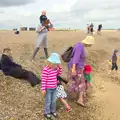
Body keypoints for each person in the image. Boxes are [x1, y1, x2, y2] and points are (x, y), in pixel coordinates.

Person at [68, 36, 95, 107]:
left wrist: (83, 65)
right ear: (88, 43)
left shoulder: (79, 44)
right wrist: (74, 69)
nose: (90, 46)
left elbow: (78, 58)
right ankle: (79, 99)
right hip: (76, 68)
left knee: (77, 82)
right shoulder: (80, 47)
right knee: (81, 83)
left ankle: (73, 95)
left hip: (78, 67)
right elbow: (75, 58)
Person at [41, 53, 62, 120]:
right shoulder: (46, 70)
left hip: (54, 87)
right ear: (51, 63)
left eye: (57, 64)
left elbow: (59, 73)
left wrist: (59, 67)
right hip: (48, 89)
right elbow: (44, 80)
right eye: (56, 64)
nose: (56, 66)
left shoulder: (56, 69)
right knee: (48, 101)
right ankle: (47, 112)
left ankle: (53, 111)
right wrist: (43, 89)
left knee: (53, 101)